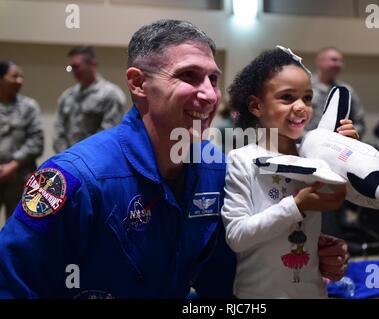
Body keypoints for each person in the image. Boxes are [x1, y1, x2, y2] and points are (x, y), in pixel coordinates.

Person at [0, 20, 348, 299]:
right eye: (189, 76)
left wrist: (304, 251)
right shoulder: (76, 179)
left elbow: (227, 271)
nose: (210, 95)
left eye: (213, 78)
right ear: (138, 83)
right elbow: (14, 283)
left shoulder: (215, 166)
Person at [221, 47, 357, 298]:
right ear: (256, 105)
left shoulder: (314, 159)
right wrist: (295, 205)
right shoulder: (242, 159)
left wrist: (347, 154)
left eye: (307, 98)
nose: (301, 107)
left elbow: (340, 197)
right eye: (287, 98)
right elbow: (237, 235)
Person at [53, 46, 126, 153]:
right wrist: (65, 156)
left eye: (77, 66)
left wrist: (82, 158)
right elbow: (58, 130)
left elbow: (108, 133)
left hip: (96, 159)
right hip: (68, 159)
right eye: (72, 67)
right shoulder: (67, 96)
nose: (74, 71)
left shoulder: (110, 94)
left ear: (93, 64)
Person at [0, 61, 44, 219]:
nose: (20, 80)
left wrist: (13, 165)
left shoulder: (29, 107)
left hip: (20, 178)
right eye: (14, 76)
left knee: (20, 224)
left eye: (21, 76)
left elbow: (36, 140)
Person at [306, 47, 365, 139]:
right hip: (302, 143)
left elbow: (359, 123)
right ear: (319, 62)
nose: (338, 64)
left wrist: (349, 134)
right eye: (334, 60)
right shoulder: (304, 85)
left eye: (341, 61)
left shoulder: (346, 91)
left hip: (335, 145)